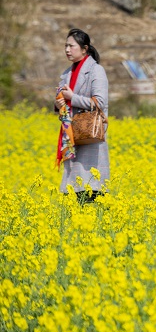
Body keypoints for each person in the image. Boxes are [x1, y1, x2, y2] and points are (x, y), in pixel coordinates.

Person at [55, 28, 109, 203]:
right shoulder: (66, 74)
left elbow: (100, 103)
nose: (67, 50)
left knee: (90, 186)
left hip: (89, 134)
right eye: (66, 46)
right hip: (71, 136)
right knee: (73, 190)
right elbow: (63, 101)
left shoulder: (96, 71)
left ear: (84, 48)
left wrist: (73, 98)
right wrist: (58, 105)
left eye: (71, 46)